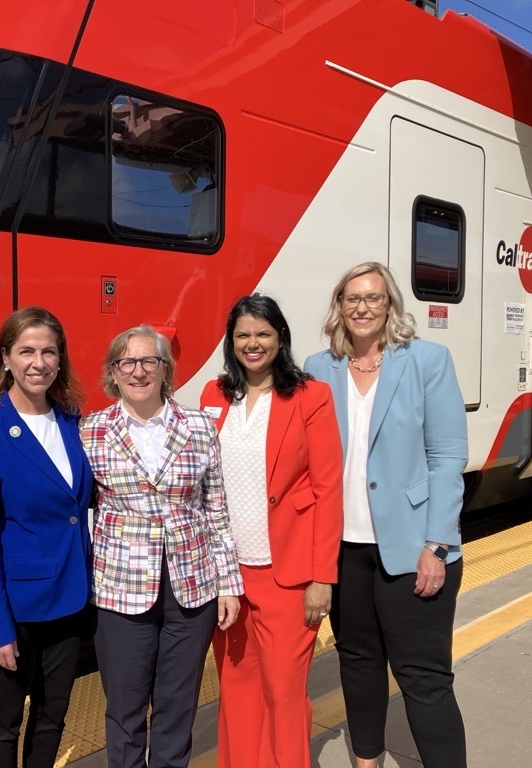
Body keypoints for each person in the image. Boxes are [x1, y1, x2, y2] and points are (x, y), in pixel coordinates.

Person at [303, 262, 468, 768]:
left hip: (413, 546)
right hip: (344, 549)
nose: (362, 307)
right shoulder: (318, 367)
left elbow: (447, 456)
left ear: (390, 304)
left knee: (423, 678)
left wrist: (437, 544)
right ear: (339, 306)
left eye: (373, 297)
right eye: (352, 298)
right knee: (358, 665)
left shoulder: (427, 360)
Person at [80, 324, 244, 768]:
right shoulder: (91, 432)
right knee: (125, 710)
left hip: (192, 588)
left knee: (177, 708)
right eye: (127, 362)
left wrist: (228, 584)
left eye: (149, 361)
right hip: (121, 589)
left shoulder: (198, 426)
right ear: (113, 372)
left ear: (165, 369)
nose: (139, 372)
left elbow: (216, 508)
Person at [200, 294, 343, 768]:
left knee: (284, 691)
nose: (253, 343)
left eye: (263, 333)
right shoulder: (214, 394)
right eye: (242, 334)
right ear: (231, 341)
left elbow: (327, 489)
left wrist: (322, 576)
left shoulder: (309, 395)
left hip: (288, 573)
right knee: (237, 689)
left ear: (280, 338)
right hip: (229, 575)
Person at [0, 307, 94, 768]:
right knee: (3, 723)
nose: (38, 363)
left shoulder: (71, 420)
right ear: (6, 358)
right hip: (18, 606)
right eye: (26, 352)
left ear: (61, 359)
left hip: (71, 598)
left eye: (49, 352)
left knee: (52, 716)